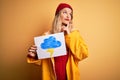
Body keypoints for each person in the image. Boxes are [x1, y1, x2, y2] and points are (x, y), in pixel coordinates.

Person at [27, 3, 88, 80]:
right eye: (65, 12)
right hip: (52, 77)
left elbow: (83, 54)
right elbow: (42, 62)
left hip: (70, 77)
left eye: (70, 14)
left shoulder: (74, 34)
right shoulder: (47, 36)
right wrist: (34, 56)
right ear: (58, 15)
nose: (68, 16)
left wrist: (69, 35)